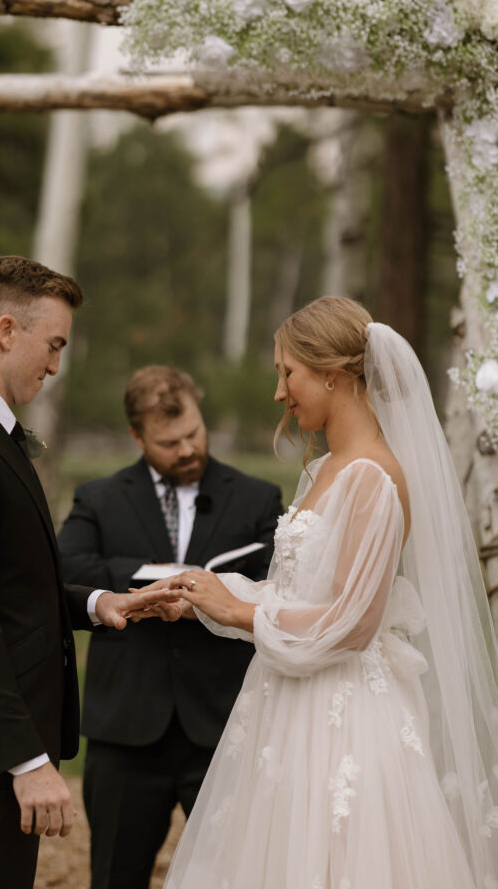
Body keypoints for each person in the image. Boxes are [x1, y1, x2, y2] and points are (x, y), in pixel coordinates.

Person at [160, 297, 498, 889]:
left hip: (342, 719)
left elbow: (354, 621)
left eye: (285, 373)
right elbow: (300, 589)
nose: (278, 393)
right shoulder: (325, 469)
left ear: (332, 375)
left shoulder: (372, 474)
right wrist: (208, 591)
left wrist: (238, 611)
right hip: (284, 703)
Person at [0, 255, 170, 889]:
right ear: (5, 331)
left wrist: (99, 603)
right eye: (52, 345)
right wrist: (27, 762)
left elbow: (6, 587)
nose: (54, 365)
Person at [58, 365, 283, 889]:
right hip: (126, 731)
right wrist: (157, 578)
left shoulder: (257, 497)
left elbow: (278, 578)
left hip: (225, 724)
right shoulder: (99, 497)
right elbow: (67, 569)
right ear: (137, 436)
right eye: (168, 442)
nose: (186, 450)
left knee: (238, 876)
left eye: (194, 434)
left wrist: (214, 588)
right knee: (116, 875)